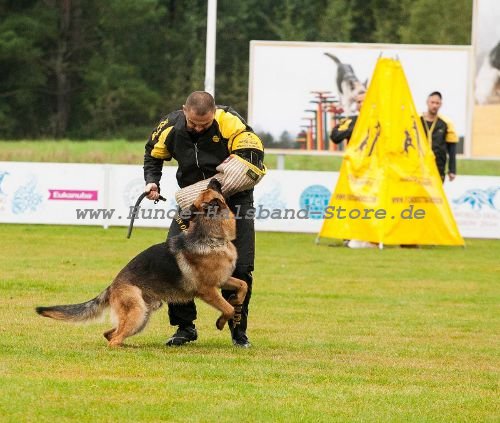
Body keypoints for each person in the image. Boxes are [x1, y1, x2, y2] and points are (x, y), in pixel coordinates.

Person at [143, 91, 265, 348]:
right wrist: (152, 181)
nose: (198, 128)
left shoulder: (231, 122)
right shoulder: (170, 126)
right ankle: (184, 327)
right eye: (193, 123)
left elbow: (254, 155)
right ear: (184, 111)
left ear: (214, 114)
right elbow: (153, 154)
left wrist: (223, 180)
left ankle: (238, 331)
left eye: (205, 124)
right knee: (175, 260)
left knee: (241, 267)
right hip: (194, 203)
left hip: (234, 201)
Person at [420, 91, 458, 183]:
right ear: (427, 102)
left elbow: (452, 149)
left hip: (438, 167)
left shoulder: (446, 123)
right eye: (432, 102)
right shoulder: (417, 120)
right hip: (419, 166)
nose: (434, 105)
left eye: (437, 103)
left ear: (441, 104)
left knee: (436, 197)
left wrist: (452, 170)